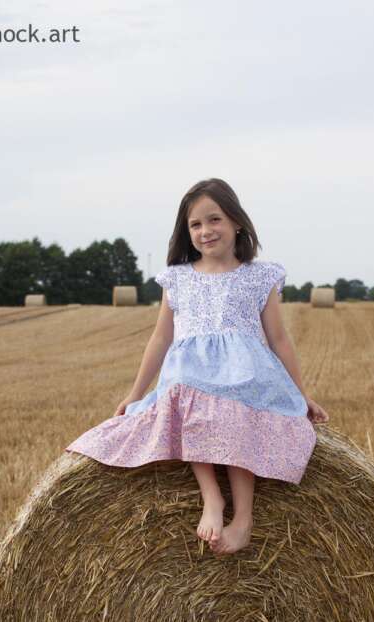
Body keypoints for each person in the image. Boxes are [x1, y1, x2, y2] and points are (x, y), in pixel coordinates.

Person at [65, 177, 329, 555]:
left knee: (238, 406)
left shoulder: (259, 277)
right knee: (186, 395)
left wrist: (303, 395)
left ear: (237, 222)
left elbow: (279, 340)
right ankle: (211, 498)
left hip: (246, 373)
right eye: (196, 224)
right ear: (186, 232)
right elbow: (160, 339)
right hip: (191, 374)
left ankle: (244, 517)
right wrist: (135, 393)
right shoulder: (177, 279)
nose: (206, 231)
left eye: (214, 220)